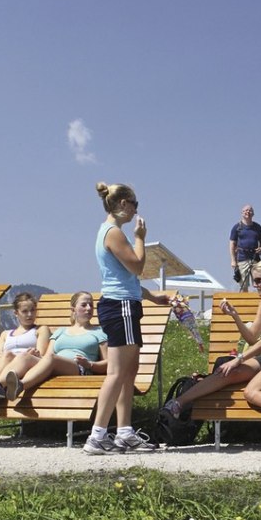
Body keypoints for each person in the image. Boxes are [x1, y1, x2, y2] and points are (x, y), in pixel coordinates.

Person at [159, 259, 261, 454]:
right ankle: (178, 404)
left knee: (251, 392)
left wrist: (239, 359)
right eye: (254, 280)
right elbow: (253, 338)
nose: (255, 285)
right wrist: (235, 316)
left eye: (259, 280)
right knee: (226, 373)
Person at [88, 182, 171, 454]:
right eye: (135, 203)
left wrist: (152, 298)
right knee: (116, 372)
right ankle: (98, 434)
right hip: (120, 306)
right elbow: (135, 267)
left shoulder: (108, 232)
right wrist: (140, 237)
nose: (137, 209)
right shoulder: (114, 234)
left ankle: (124, 432)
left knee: (129, 371)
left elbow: (122, 278)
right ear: (123, 204)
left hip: (125, 302)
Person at [14, 291, 108, 398]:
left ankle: (21, 385)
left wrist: (90, 364)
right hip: (54, 364)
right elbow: (46, 357)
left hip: (80, 369)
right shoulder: (61, 331)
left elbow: (109, 363)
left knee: (52, 358)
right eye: (84, 305)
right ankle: (0, 385)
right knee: (25, 356)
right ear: (73, 310)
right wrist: (35, 355)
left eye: (91, 305)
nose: (89, 308)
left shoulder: (99, 332)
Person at [228, 204, 261, 289]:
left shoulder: (257, 227)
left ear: (253, 214)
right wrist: (233, 260)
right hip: (242, 258)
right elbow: (232, 244)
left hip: (255, 258)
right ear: (242, 213)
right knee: (243, 284)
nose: (248, 212)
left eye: (250, 210)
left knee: (259, 283)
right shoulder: (237, 227)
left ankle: (259, 301)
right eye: (245, 210)